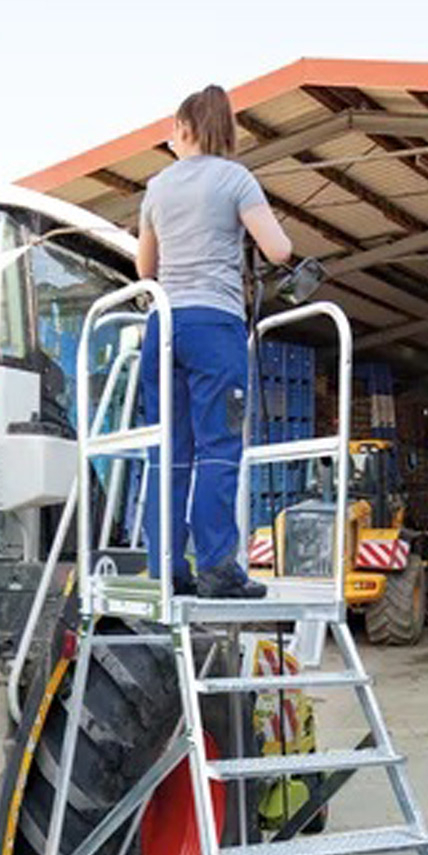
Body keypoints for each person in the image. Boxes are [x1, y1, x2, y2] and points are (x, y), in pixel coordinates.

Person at [137, 84, 293, 600]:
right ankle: (217, 568)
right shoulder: (235, 179)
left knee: (169, 448)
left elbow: (145, 269)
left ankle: (165, 566)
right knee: (219, 447)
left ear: (185, 129)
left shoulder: (156, 187)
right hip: (214, 323)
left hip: (163, 325)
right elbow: (277, 249)